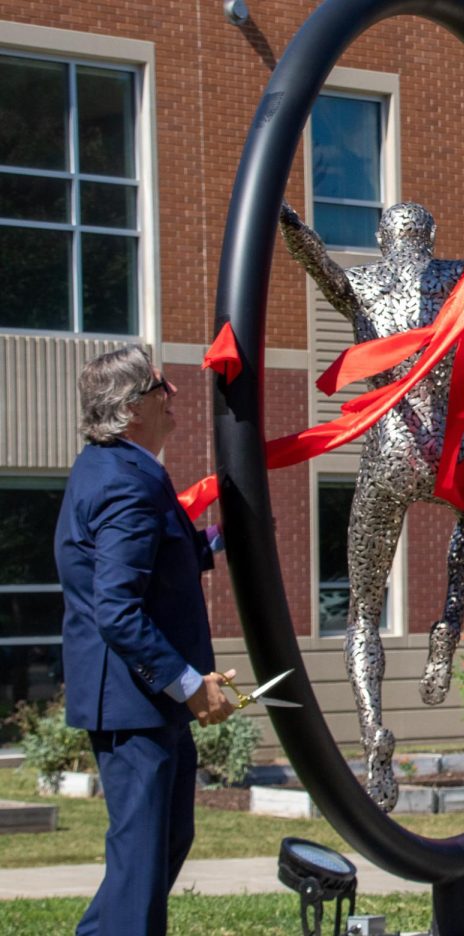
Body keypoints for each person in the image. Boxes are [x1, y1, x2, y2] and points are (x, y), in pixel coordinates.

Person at [279, 184, 464, 811]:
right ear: (428, 238)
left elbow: (313, 256)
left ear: (384, 240)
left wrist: (286, 217)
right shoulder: (458, 277)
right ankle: (448, 623)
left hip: (389, 456)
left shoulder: (364, 284)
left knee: (362, 613)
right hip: (449, 453)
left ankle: (373, 729)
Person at [54, 346, 236, 936]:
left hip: (143, 703)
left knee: (160, 847)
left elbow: (156, 562)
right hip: (135, 704)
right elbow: (117, 608)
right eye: (162, 385)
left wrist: (224, 538)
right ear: (133, 408)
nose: (174, 395)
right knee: (140, 861)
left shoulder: (123, 471)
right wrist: (188, 685)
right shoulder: (125, 484)